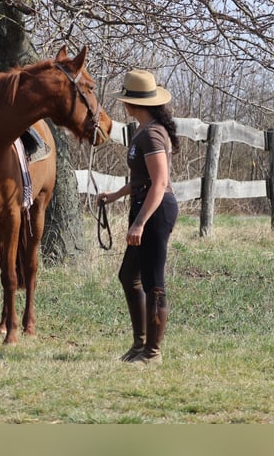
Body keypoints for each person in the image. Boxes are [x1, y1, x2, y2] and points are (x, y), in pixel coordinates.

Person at [98, 69, 179, 366]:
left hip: (156, 210)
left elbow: (159, 182)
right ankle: (140, 345)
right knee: (128, 276)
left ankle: (152, 353)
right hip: (144, 204)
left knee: (152, 281)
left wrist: (140, 222)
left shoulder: (153, 133)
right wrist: (115, 195)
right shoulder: (142, 132)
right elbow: (141, 179)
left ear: (132, 103)